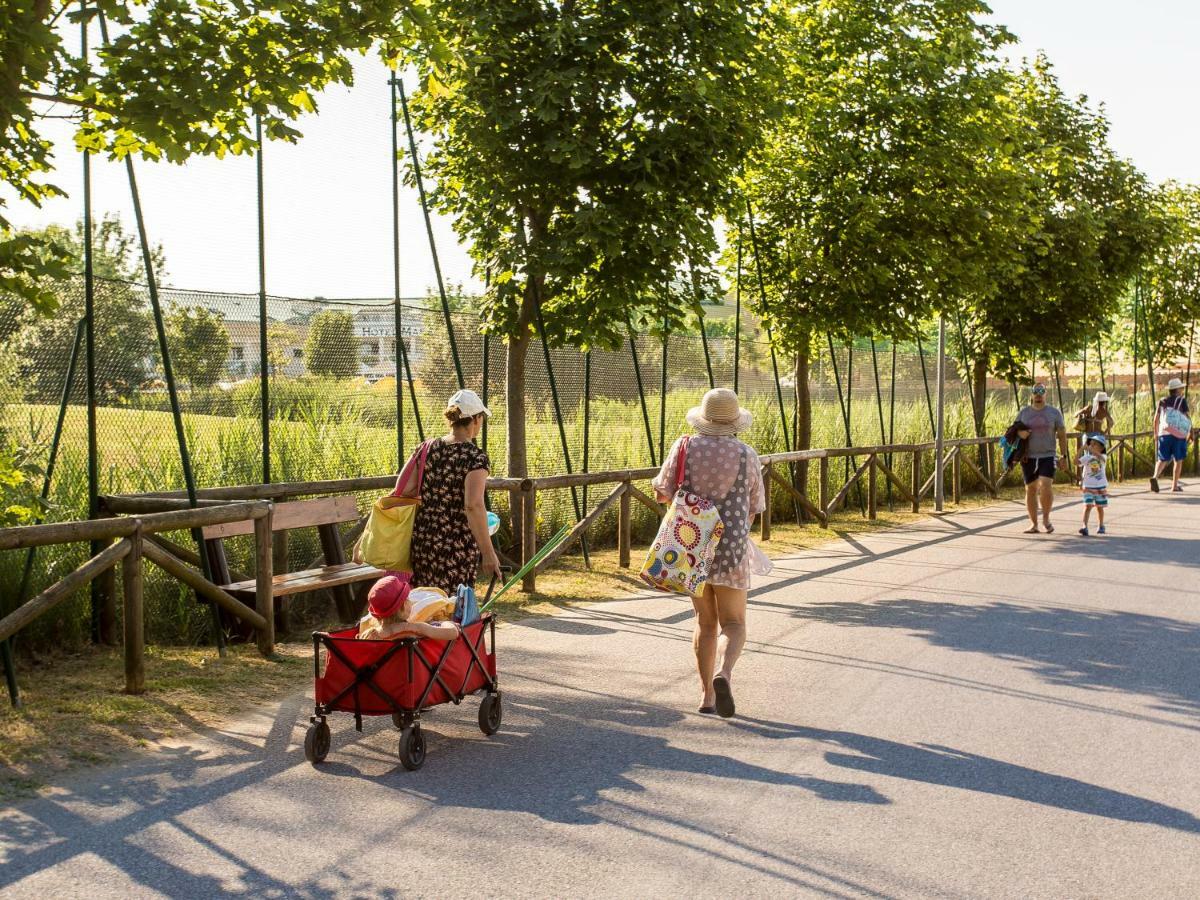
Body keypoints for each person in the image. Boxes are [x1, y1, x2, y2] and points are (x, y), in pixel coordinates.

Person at [653, 388, 771, 718]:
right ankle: (725, 673)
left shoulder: (685, 446)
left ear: (703, 420)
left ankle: (706, 696)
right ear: (734, 422)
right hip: (731, 546)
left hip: (690, 545)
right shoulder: (747, 455)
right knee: (734, 623)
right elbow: (756, 505)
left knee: (705, 623)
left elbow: (662, 491)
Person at [401, 389, 502, 595]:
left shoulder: (427, 448)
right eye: (481, 418)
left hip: (424, 539)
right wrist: (488, 552)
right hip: (456, 545)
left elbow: (405, 488)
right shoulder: (475, 457)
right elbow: (473, 505)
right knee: (451, 609)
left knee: (424, 605)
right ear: (475, 419)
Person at [1017, 383, 1070, 534]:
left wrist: (1064, 456)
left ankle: (1046, 518)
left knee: (1046, 484)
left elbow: (1061, 434)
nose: (1038, 395)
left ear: (1046, 394)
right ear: (1032, 395)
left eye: (1041, 391)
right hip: (1029, 456)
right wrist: (1021, 434)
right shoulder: (1024, 413)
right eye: (1036, 392)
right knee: (1031, 489)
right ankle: (1034, 524)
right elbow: (1014, 431)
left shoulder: (1054, 413)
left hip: (1048, 454)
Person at [357, 573, 459, 641]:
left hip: (385, 673)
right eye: (408, 598)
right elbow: (453, 633)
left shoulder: (370, 635)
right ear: (404, 606)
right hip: (413, 672)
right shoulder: (416, 628)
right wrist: (446, 623)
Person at [1150, 378, 1191, 494]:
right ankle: (1174, 485)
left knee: (1162, 458)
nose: (1182, 390)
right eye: (1181, 388)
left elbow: (1155, 419)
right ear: (1177, 390)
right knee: (1178, 460)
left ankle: (1155, 476)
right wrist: (1190, 432)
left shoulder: (1162, 401)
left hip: (1164, 432)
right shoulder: (1181, 401)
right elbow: (1187, 418)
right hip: (1178, 433)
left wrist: (1155, 433)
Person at [1077, 434, 1109, 537]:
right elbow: (1076, 462)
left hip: (1100, 486)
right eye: (1091, 443)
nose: (1092, 446)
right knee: (1087, 506)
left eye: (1095, 444)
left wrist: (1091, 450)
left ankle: (1101, 525)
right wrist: (1081, 449)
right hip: (1088, 486)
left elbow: (1100, 457)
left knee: (1099, 507)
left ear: (1101, 447)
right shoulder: (1087, 458)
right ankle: (1084, 526)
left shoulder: (1103, 457)